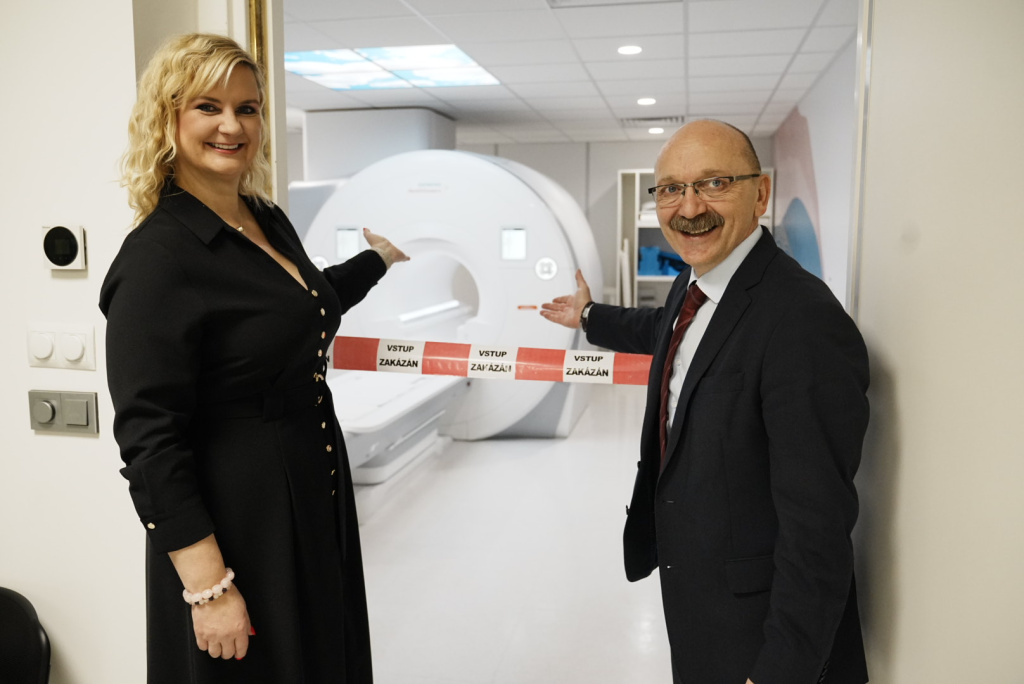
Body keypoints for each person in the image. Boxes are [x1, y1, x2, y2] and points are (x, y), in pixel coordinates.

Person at [99, 33, 408, 684]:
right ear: (167, 118)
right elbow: (149, 439)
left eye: (248, 108)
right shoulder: (159, 258)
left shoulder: (263, 219)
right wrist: (208, 587)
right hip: (238, 522)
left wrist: (376, 261)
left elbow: (303, 304)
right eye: (208, 107)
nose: (232, 126)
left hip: (309, 499)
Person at [541, 119, 869, 684]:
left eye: (714, 183)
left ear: (760, 194)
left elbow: (816, 528)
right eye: (671, 188)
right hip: (699, 593)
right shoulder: (697, 283)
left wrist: (780, 672)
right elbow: (665, 331)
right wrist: (590, 316)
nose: (689, 207)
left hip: (759, 630)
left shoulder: (801, 320)